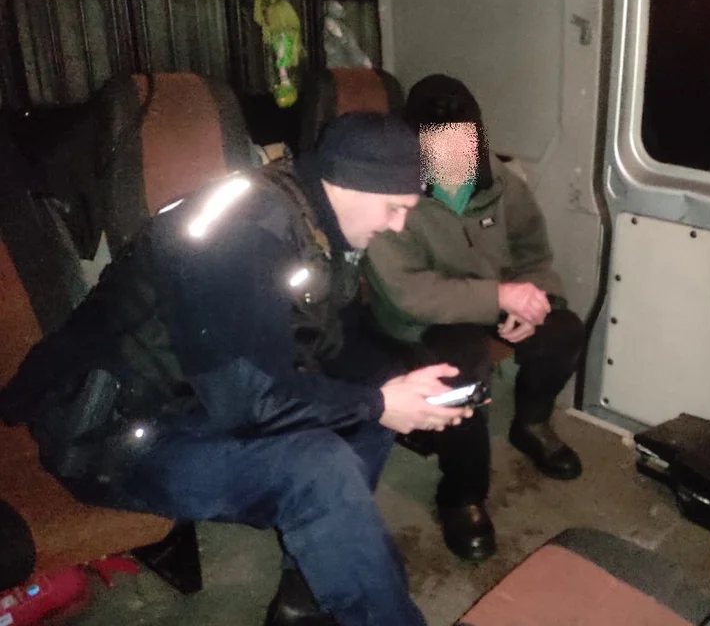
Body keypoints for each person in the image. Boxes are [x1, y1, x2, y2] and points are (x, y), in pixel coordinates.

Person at [0, 112, 472, 626]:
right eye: (394, 207)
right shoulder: (242, 237)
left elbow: (331, 338)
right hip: (118, 436)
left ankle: (307, 594)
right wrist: (379, 404)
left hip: (195, 399)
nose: (399, 225)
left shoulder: (311, 218)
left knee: (373, 396)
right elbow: (250, 403)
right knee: (319, 469)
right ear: (350, 182)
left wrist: (407, 382)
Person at [364, 75, 584, 562]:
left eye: (463, 140)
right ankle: (462, 493)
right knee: (460, 368)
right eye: (437, 143)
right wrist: (498, 296)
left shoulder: (501, 183)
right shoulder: (394, 194)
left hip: (490, 295)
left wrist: (536, 301)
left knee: (564, 330)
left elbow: (533, 253)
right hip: (421, 318)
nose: (453, 155)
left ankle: (532, 424)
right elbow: (409, 294)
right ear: (416, 144)